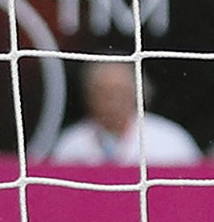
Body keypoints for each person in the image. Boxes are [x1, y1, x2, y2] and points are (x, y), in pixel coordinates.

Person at [51, 58, 204, 166]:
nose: (112, 102)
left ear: (138, 94)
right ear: (89, 96)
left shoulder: (171, 141)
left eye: (120, 92)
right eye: (104, 93)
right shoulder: (70, 144)